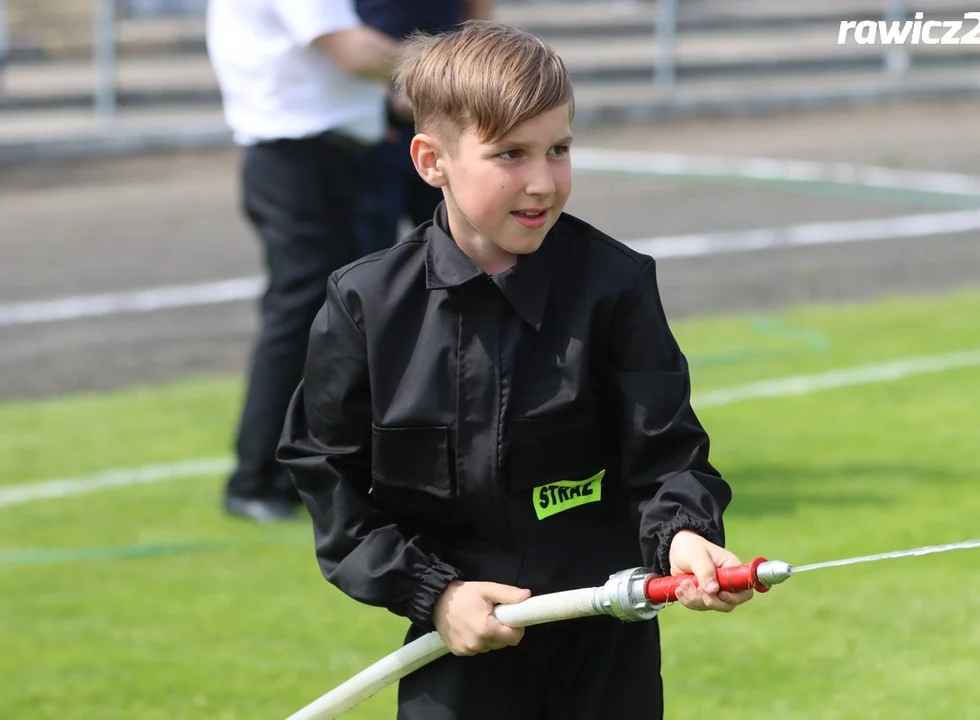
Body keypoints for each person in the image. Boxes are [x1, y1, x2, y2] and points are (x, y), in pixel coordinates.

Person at [277, 21, 754, 719]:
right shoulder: (367, 305)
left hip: (603, 648)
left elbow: (668, 456)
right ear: (430, 161)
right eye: (509, 154)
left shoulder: (615, 285)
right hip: (461, 647)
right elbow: (327, 474)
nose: (541, 181)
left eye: (558, 149)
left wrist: (684, 534)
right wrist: (433, 593)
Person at [206, 0, 402, 522]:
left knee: (330, 321)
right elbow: (353, 51)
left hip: (319, 155)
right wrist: (454, 68)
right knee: (300, 320)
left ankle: (295, 471)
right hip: (300, 160)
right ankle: (257, 479)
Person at [353, 0, 495, 258]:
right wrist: (374, 99)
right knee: (372, 252)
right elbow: (340, 35)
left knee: (461, 246)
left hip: (450, 110)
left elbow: (478, 14)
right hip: (373, 118)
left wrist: (470, 81)